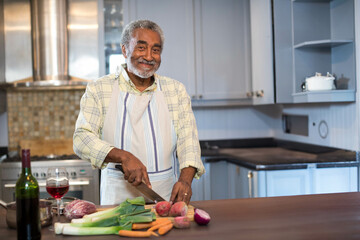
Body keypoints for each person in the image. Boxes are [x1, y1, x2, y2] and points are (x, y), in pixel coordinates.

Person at [73, 19, 205, 205]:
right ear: (125, 50)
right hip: (116, 201)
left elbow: (188, 142)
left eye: (156, 50)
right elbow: (81, 139)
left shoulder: (176, 90)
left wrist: (185, 181)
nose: (149, 56)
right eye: (141, 48)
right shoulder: (99, 88)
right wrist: (124, 157)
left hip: (165, 199)